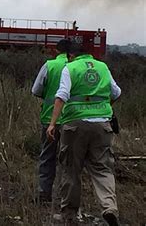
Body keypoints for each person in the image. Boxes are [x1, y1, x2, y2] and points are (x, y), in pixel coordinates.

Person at [47, 42, 121, 226]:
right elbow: (117, 92)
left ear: (71, 56)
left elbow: (62, 95)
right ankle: (109, 207)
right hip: (102, 125)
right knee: (103, 169)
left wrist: (52, 123)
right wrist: (103, 108)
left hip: (75, 125)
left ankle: (70, 215)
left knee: (71, 169)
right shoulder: (102, 67)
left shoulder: (70, 68)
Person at [31, 39, 71, 203]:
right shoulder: (76, 68)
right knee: (69, 160)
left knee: (47, 157)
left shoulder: (49, 65)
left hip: (49, 120)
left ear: (57, 51)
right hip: (72, 120)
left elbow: (36, 90)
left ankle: (43, 194)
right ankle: (66, 198)